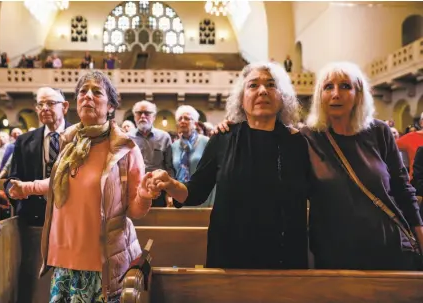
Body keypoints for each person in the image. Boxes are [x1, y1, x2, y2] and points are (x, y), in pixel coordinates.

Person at [142, 62, 310, 269]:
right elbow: (196, 193)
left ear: (282, 96)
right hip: (230, 254)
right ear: (241, 98)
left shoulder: (296, 142)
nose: (263, 91)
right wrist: (170, 184)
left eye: (271, 85)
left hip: (284, 257)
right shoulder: (224, 138)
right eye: (253, 85)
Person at [8, 70, 155, 302]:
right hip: (64, 257)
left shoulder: (125, 149)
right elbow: (60, 181)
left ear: (110, 106)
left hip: (100, 262)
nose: (87, 96)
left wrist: (145, 195)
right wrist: (27, 188)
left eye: (96, 92)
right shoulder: (69, 141)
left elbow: (134, 210)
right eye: (82, 92)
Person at [302, 61, 423, 270]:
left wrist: (420, 237)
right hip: (335, 254)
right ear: (319, 96)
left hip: (388, 247)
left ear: (359, 94)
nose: (336, 94)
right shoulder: (307, 137)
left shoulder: (379, 132)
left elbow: (403, 189)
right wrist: (229, 128)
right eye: (328, 87)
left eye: (345, 86)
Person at [4, 87, 72, 227]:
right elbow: (13, 177)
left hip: (71, 216)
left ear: (64, 107)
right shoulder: (24, 141)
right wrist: (14, 191)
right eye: (40, 105)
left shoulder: (79, 137)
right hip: (33, 218)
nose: (44, 108)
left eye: (50, 103)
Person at [129, 100, 174, 207]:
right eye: (139, 113)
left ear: (154, 117)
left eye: (147, 113)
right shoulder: (127, 138)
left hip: (158, 190)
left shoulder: (164, 137)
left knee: (159, 221)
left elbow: (169, 167)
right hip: (134, 190)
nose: (143, 116)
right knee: (136, 221)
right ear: (135, 116)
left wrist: (170, 193)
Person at [172, 105, 215, 207]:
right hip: (180, 198)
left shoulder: (206, 142)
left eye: (187, 118)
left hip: (203, 198)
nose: (182, 121)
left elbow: (213, 172)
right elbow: (172, 172)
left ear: (195, 123)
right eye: (180, 119)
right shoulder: (174, 146)